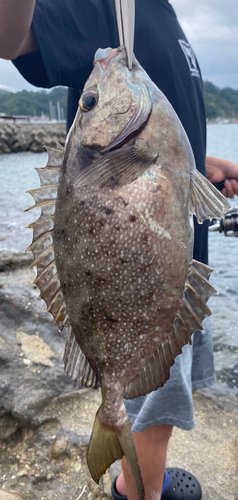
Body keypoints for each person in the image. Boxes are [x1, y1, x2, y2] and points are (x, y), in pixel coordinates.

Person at [0, 1, 238, 499]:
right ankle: (140, 490)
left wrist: (196, 162)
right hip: (146, 279)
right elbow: (9, 36)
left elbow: (145, 150)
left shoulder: (162, 14)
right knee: (158, 403)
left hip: (174, 263)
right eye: (91, 102)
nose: (102, 71)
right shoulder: (104, 5)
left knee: (167, 397)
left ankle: (136, 475)